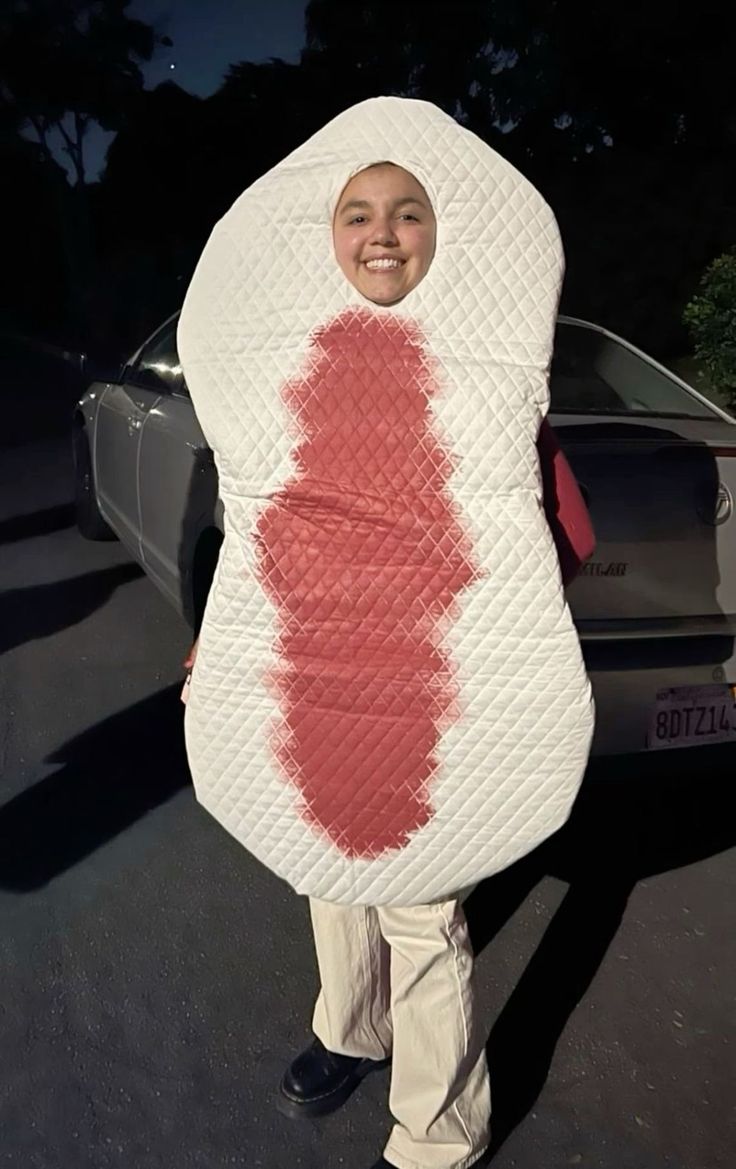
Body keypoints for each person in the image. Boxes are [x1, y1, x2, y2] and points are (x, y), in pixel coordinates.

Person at [180, 135, 594, 1169]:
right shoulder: (285, 369)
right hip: (317, 668)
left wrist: (491, 647)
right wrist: (225, 647)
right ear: (325, 238)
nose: (381, 233)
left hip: (424, 676)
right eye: (357, 212)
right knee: (326, 867)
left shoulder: (483, 375)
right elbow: (261, 524)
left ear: (440, 235)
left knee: (419, 905)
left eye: (407, 211)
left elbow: (558, 538)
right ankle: (349, 1029)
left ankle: (438, 1129)